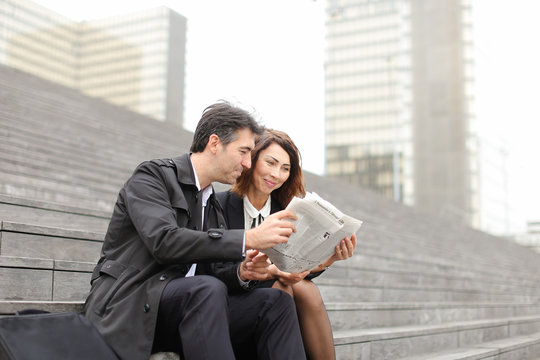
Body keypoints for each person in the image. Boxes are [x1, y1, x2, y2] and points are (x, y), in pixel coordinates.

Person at [83, 102, 307, 360]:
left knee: (275, 302)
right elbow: (165, 241)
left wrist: (242, 272)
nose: (248, 163)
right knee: (205, 289)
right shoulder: (152, 177)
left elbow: (213, 270)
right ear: (214, 144)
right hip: (130, 305)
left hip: (191, 308)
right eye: (244, 151)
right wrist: (248, 238)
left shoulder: (212, 203)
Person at [216, 129, 357, 360]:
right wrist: (270, 271)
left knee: (303, 288)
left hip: (273, 290)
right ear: (251, 159)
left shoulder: (286, 211)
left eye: (285, 168)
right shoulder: (219, 205)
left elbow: (295, 262)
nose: (276, 174)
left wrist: (330, 259)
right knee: (284, 287)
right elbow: (214, 269)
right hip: (233, 294)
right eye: (270, 163)